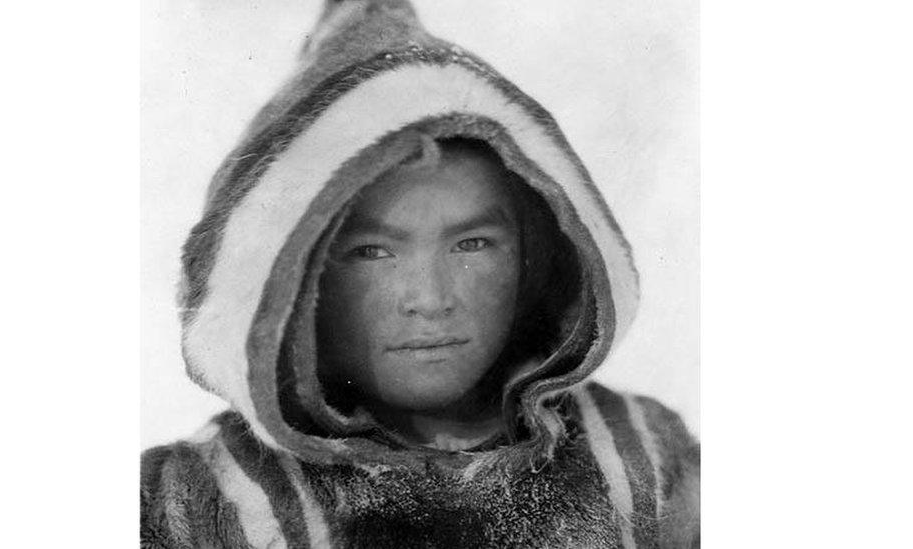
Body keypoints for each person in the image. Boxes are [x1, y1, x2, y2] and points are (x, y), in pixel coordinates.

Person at [142, 1, 699, 547]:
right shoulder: (191, 504)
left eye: (472, 244)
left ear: (540, 258)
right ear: (289, 278)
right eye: (371, 252)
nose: (430, 300)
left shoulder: (649, 467)